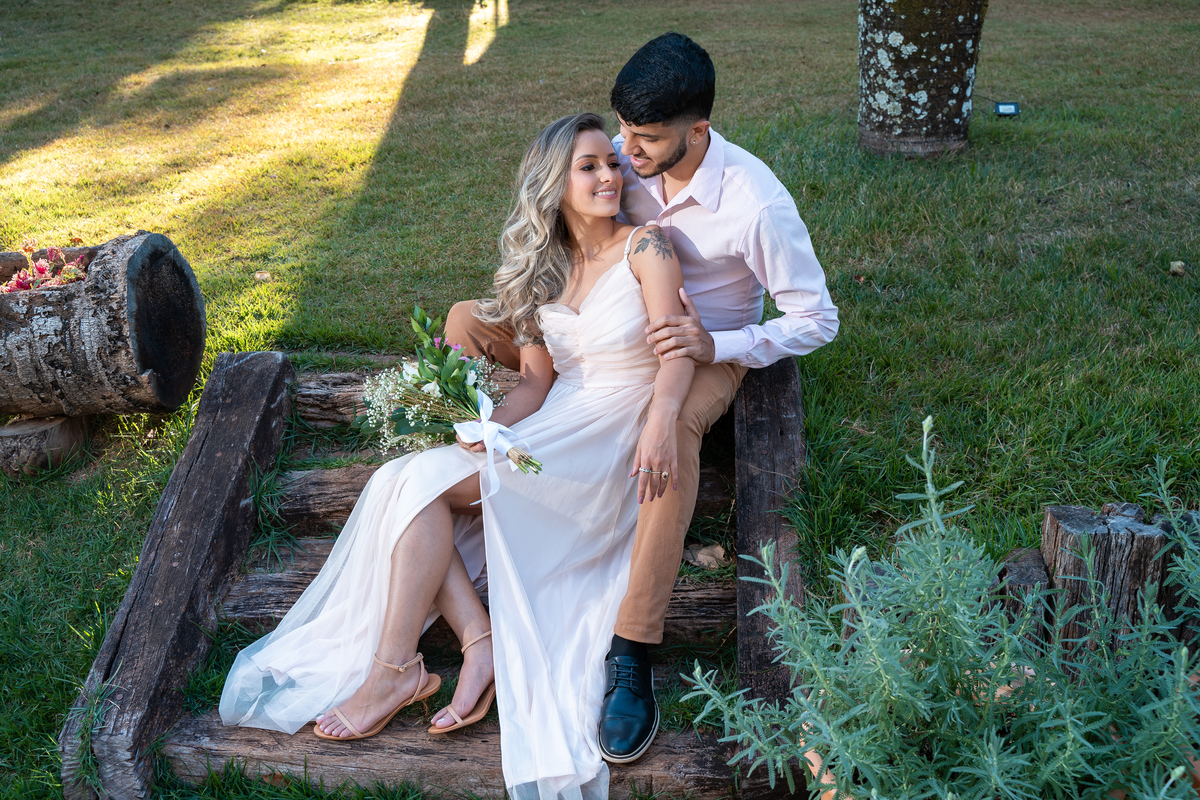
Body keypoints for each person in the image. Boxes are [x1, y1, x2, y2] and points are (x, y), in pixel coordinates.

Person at [220, 112, 694, 800]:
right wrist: (487, 429)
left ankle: (411, 666)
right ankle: (455, 648)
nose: (608, 176)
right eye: (588, 166)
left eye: (612, 163)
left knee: (414, 482)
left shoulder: (647, 247)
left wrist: (661, 421)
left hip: (612, 436)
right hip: (557, 421)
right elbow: (535, 383)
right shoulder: (544, 271)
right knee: (408, 476)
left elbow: (675, 349)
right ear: (553, 184)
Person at [447, 33, 839, 764]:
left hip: (702, 347)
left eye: (646, 139)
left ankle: (634, 647)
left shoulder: (755, 204)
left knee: (672, 432)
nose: (626, 152)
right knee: (465, 319)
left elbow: (818, 318)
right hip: (608, 319)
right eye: (622, 131)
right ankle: (484, 435)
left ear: (699, 131)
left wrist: (715, 349)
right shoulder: (625, 158)